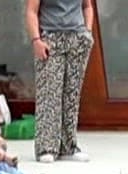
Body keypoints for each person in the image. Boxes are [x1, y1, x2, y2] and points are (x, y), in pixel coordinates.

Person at [26, 0, 94, 164]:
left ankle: (68, 146)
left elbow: (87, 6)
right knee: (49, 93)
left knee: (72, 94)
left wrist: (88, 32)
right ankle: (46, 148)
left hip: (77, 38)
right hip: (50, 38)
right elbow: (31, 11)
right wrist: (36, 40)